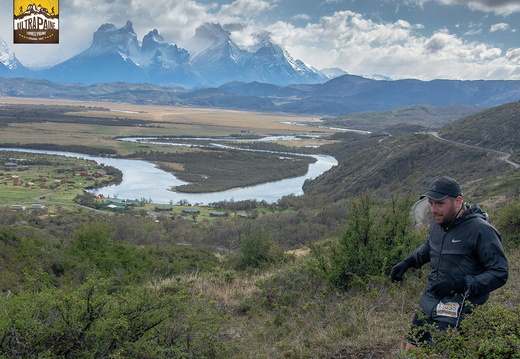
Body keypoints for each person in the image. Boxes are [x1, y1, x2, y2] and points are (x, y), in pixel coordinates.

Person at [390, 176, 509, 350]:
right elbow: (431, 245)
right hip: (430, 302)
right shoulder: (439, 223)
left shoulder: (481, 230)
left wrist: (458, 285)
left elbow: (500, 273)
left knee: (439, 352)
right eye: (431, 203)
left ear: (458, 201)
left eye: (439, 204)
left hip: (459, 311)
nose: (433, 209)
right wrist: (409, 261)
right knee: (411, 351)